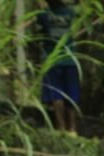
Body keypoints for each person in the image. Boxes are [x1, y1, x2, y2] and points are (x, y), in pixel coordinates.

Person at [37, 0, 80, 135]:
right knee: (71, 93)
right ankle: (72, 128)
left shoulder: (43, 15)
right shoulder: (70, 13)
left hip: (53, 59)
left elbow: (39, 33)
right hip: (70, 59)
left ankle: (61, 127)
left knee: (56, 94)